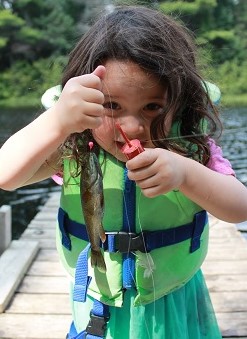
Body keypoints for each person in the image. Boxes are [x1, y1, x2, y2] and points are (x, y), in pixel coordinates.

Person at [0, 5, 247, 339]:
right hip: (98, 304)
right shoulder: (73, 147)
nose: (131, 126)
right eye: (111, 106)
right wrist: (56, 121)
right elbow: (6, 174)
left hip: (171, 301)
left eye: (152, 107)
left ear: (178, 101)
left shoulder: (187, 148)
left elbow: (239, 208)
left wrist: (187, 174)